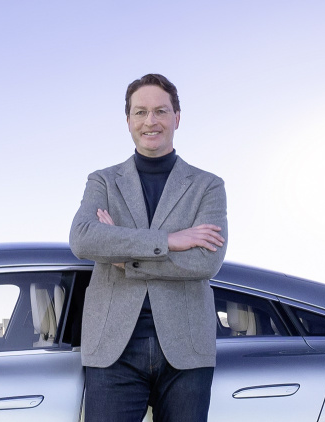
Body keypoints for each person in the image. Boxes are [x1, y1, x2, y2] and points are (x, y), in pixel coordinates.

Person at [69, 73, 228, 422]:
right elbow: (83, 238)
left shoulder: (208, 186)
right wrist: (169, 241)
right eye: (140, 112)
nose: (150, 121)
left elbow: (206, 262)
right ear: (128, 120)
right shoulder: (103, 181)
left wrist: (124, 258)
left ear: (177, 118)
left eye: (160, 111)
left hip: (186, 347)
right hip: (113, 346)